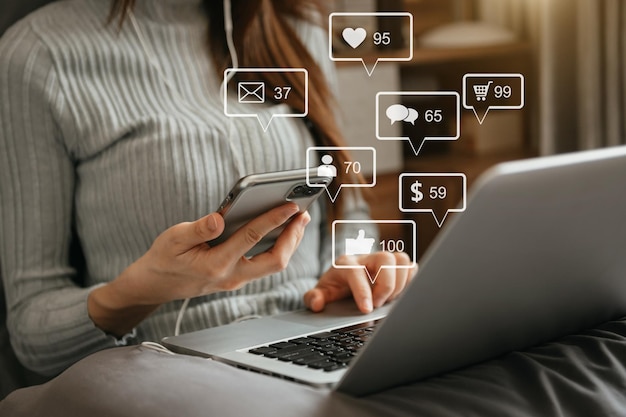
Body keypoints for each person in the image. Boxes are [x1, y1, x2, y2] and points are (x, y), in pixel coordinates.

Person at [0, 0, 415, 379]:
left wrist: (352, 266)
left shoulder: (292, 24)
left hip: (320, 336)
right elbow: (31, 332)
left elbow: (350, 212)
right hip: (169, 367)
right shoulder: (38, 54)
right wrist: (139, 292)